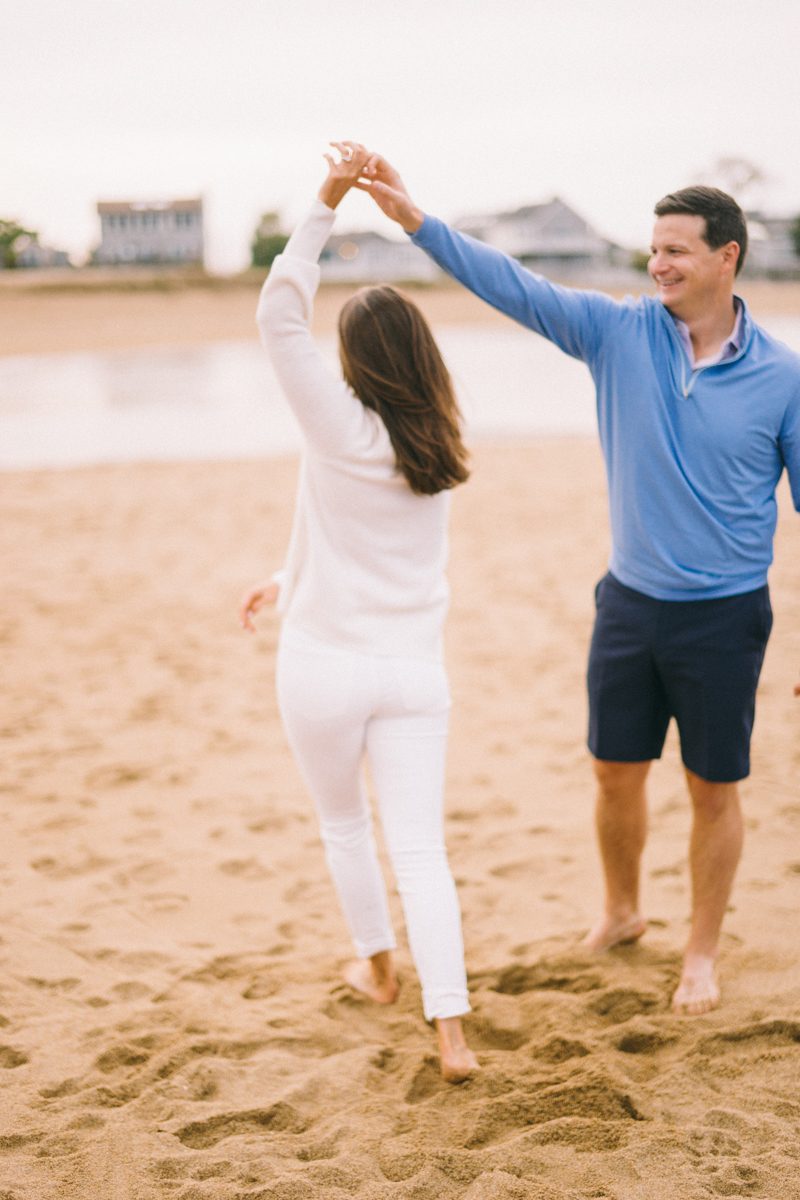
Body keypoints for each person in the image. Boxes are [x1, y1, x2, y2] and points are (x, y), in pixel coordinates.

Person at [356, 155, 800, 1015]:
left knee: (714, 788)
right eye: (653, 250)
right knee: (613, 771)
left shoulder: (783, 377)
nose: (658, 265)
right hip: (629, 603)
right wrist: (417, 222)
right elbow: (514, 286)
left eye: (677, 250)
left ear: (727, 257)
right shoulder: (616, 332)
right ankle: (623, 912)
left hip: (725, 615)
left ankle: (700, 953)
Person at [239, 142, 478, 1081]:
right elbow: (368, 546)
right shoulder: (441, 447)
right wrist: (287, 574)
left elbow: (274, 315)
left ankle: (381, 974)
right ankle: (452, 1033)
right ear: (420, 357)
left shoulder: (336, 424)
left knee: (346, 829)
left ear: (354, 361)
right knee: (424, 850)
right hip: (414, 673)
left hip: (326, 667)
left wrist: (327, 202)